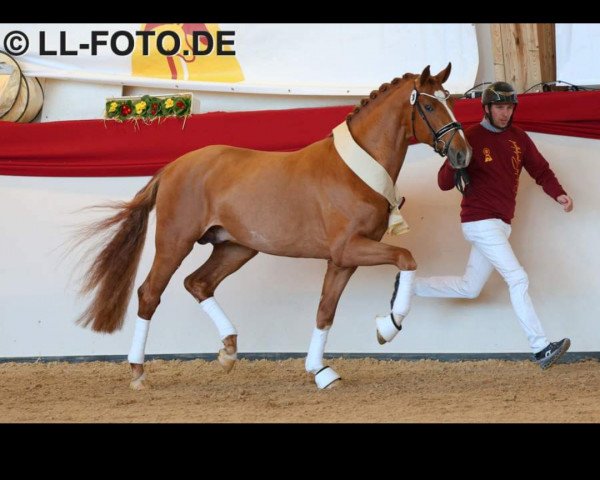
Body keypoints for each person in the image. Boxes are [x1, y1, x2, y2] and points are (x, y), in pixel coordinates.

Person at [391, 81, 574, 370]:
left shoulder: (519, 138)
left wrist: (558, 193)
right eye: (500, 107)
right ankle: (541, 348)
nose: (505, 113)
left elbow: (541, 170)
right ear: (487, 108)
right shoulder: (470, 137)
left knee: (469, 288)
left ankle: (410, 286)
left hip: (501, 224)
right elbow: (442, 182)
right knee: (518, 278)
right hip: (480, 221)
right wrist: (456, 161)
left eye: (509, 107)